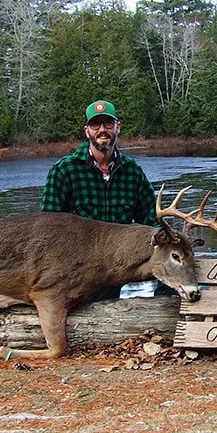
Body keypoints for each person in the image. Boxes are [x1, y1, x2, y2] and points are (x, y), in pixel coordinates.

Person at [41, 99, 159, 297]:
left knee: (173, 266)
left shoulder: (132, 172)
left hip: (119, 266)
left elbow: (151, 219)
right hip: (80, 272)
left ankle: (166, 318)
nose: (102, 130)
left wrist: (172, 242)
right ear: (87, 130)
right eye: (96, 124)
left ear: (117, 128)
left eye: (108, 124)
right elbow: (47, 230)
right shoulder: (64, 171)